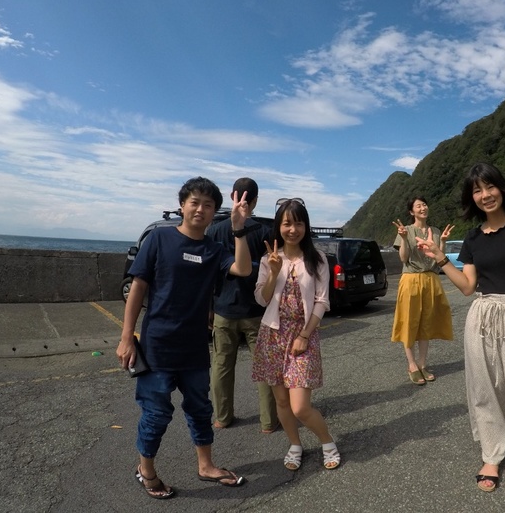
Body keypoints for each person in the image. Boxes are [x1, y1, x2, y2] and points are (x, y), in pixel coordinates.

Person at [416, 163, 505, 496]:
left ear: (501, 188)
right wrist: (440, 258)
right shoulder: (473, 237)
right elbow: (468, 286)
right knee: (485, 391)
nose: (485, 195)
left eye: (489, 187)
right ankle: (491, 454)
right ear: (472, 198)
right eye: (477, 190)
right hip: (482, 314)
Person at [116, 177, 250, 499]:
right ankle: (146, 470)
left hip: (194, 349)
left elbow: (244, 269)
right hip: (157, 346)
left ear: (215, 212)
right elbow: (138, 287)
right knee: (156, 413)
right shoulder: (160, 239)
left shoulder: (214, 250)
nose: (200, 209)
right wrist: (126, 337)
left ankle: (206, 465)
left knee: (200, 408)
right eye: (195, 202)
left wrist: (239, 229)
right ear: (182, 205)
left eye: (208, 205)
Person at [252, 198, 341, 471]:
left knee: (300, 407)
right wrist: (273, 273)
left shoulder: (317, 259)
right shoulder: (269, 259)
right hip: (272, 336)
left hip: (303, 335)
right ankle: (294, 444)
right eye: (287, 223)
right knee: (281, 401)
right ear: (279, 227)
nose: (293, 229)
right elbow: (261, 299)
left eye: (298, 223)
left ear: (306, 226)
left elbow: (322, 301)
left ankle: (327, 441)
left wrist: (304, 334)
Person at [206, 177, 278, 432]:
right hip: (257, 311)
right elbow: (273, 270)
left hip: (224, 308)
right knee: (264, 367)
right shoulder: (264, 231)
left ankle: (222, 417)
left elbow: (210, 274)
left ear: (231, 196)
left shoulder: (214, 231)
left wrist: (209, 307)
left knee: (222, 366)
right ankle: (268, 421)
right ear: (255, 200)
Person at [391, 196, 454, 385]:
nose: (423, 208)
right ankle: (412, 365)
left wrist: (443, 241)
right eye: (418, 206)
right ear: (412, 211)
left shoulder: (435, 231)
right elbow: (403, 258)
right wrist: (404, 239)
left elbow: (439, 257)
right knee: (409, 322)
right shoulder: (406, 230)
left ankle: (423, 364)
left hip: (430, 279)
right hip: (411, 279)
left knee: (426, 323)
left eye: (424, 204)